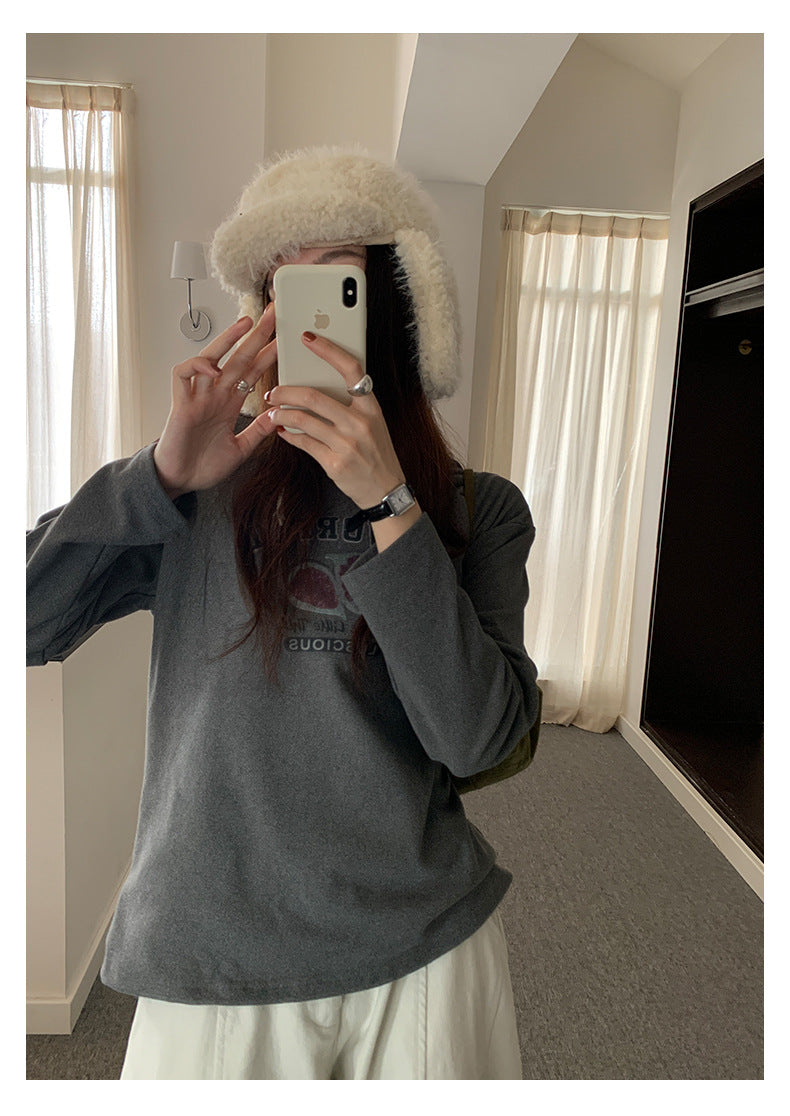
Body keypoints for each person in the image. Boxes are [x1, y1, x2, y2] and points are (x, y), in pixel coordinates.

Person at [26, 147, 540, 1080]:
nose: (306, 317)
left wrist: (393, 508)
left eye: (337, 283)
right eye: (281, 288)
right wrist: (161, 475)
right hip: (211, 945)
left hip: (420, 943)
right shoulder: (194, 489)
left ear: (396, 308)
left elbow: (480, 741)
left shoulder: (478, 509)